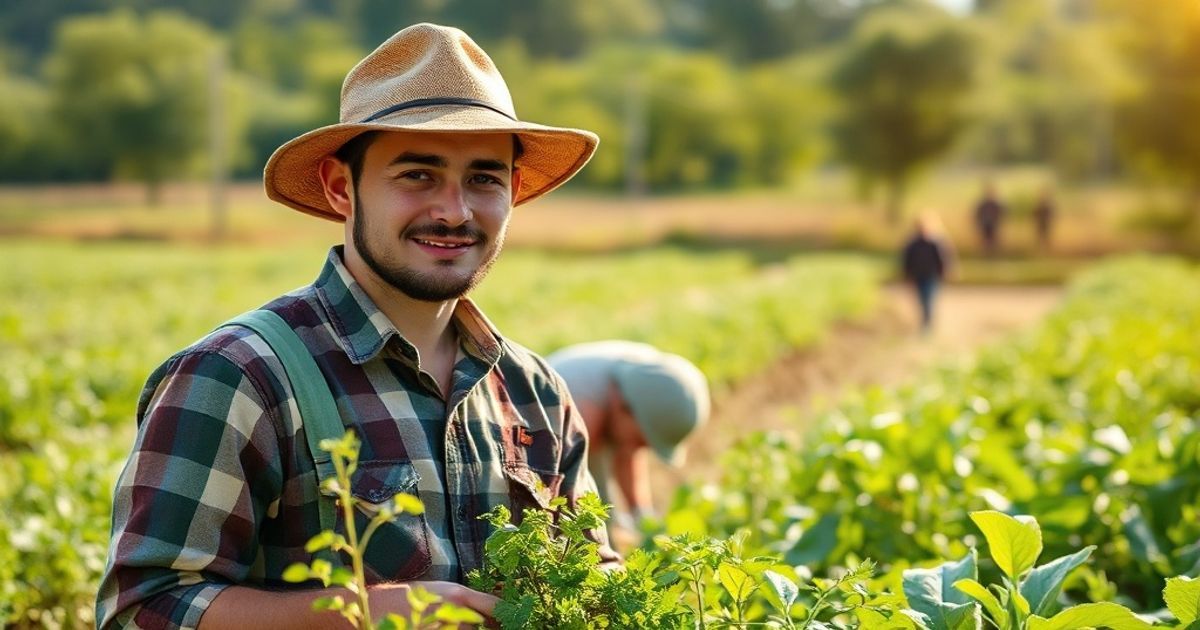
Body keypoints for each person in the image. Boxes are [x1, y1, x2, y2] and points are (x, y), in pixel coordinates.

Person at [96, 23, 617, 629]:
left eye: (484, 178)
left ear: (514, 191)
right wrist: (361, 615)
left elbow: (592, 566)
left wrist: (606, 587)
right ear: (342, 188)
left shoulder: (537, 393)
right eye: (417, 175)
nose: (454, 210)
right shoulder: (239, 376)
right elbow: (140, 610)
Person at [547, 341, 710, 528]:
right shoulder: (577, 413)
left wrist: (642, 518)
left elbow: (628, 454)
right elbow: (562, 492)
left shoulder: (646, 380)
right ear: (624, 406)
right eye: (640, 440)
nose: (640, 448)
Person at [901, 213, 955, 333]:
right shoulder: (913, 243)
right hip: (918, 275)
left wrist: (946, 271)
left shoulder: (936, 243)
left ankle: (927, 324)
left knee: (928, 298)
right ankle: (925, 322)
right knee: (921, 300)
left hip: (931, 275)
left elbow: (944, 259)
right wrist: (907, 274)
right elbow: (907, 260)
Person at [973, 181, 1006, 255]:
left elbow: (1002, 213)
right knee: (985, 240)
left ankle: (993, 254)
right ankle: (986, 254)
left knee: (994, 240)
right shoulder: (983, 203)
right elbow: (978, 213)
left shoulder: (996, 203)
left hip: (994, 224)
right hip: (985, 224)